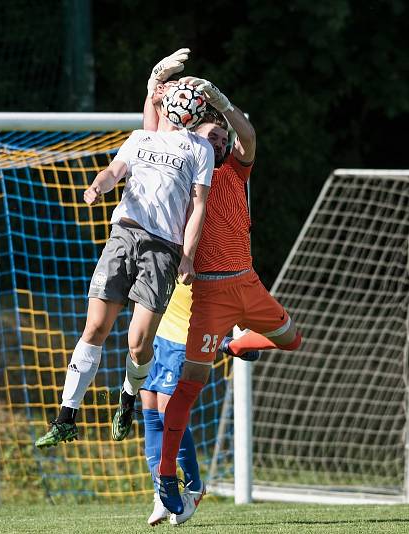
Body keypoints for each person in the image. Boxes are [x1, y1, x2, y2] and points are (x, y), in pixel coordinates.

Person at [34, 49, 214, 449]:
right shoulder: (140, 138)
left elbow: (198, 205)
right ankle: (67, 416)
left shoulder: (199, 150)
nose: (169, 99)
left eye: (176, 95)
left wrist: (187, 254)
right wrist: (99, 185)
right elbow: (115, 170)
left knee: (137, 342)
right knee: (95, 328)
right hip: (123, 235)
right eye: (168, 93)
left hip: (163, 249)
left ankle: (128, 398)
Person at [142, 75, 303, 515]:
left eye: (220, 136)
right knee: (186, 390)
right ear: (191, 136)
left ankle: (234, 344)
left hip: (247, 282)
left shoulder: (235, 168)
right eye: (207, 135)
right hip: (209, 297)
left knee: (293, 339)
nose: (216, 141)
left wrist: (218, 99)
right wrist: (155, 93)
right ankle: (168, 478)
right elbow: (155, 136)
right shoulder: (183, 174)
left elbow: (247, 134)